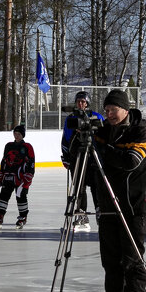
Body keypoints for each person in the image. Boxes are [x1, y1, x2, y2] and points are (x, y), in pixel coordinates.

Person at [75, 88, 146, 292]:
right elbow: (81, 161)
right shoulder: (103, 131)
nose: (109, 114)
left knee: (132, 256)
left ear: (125, 109)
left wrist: (100, 148)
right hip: (107, 201)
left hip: (133, 203)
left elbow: (130, 162)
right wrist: (81, 140)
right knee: (110, 257)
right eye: (106, 110)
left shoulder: (141, 131)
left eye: (113, 110)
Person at [61, 90, 103, 231]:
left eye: (83, 101)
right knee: (79, 187)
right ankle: (81, 216)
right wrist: (66, 156)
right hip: (76, 157)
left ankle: (100, 212)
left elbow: (103, 137)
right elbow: (65, 139)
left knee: (97, 187)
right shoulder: (71, 119)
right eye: (78, 101)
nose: (80, 104)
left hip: (93, 158)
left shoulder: (96, 116)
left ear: (88, 103)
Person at [0, 123, 36, 229]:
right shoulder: (9, 145)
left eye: (19, 134)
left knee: (21, 197)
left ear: (23, 135)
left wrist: (29, 176)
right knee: (3, 196)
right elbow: (4, 161)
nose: (16, 136)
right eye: (15, 133)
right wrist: (1, 173)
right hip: (8, 176)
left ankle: (23, 217)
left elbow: (31, 162)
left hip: (21, 178)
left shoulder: (27, 147)